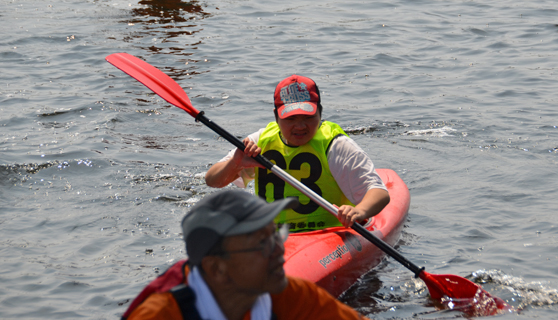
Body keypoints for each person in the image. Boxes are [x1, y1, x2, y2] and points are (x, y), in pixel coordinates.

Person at [123, 189, 370, 320]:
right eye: (262, 243)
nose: (278, 249)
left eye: (276, 234)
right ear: (216, 269)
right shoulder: (161, 315)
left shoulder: (289, 296)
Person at [205, 75, 390, 232]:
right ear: (276, 117)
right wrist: (236, 163)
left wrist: (360, 211)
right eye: (291, 118)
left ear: (320, 113)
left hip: (326, 235)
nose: (300, 126)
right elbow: (213, 181)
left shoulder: (336, 145)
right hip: (271, 236)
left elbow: (379, 192)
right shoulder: (259, 141)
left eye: (308, 118)